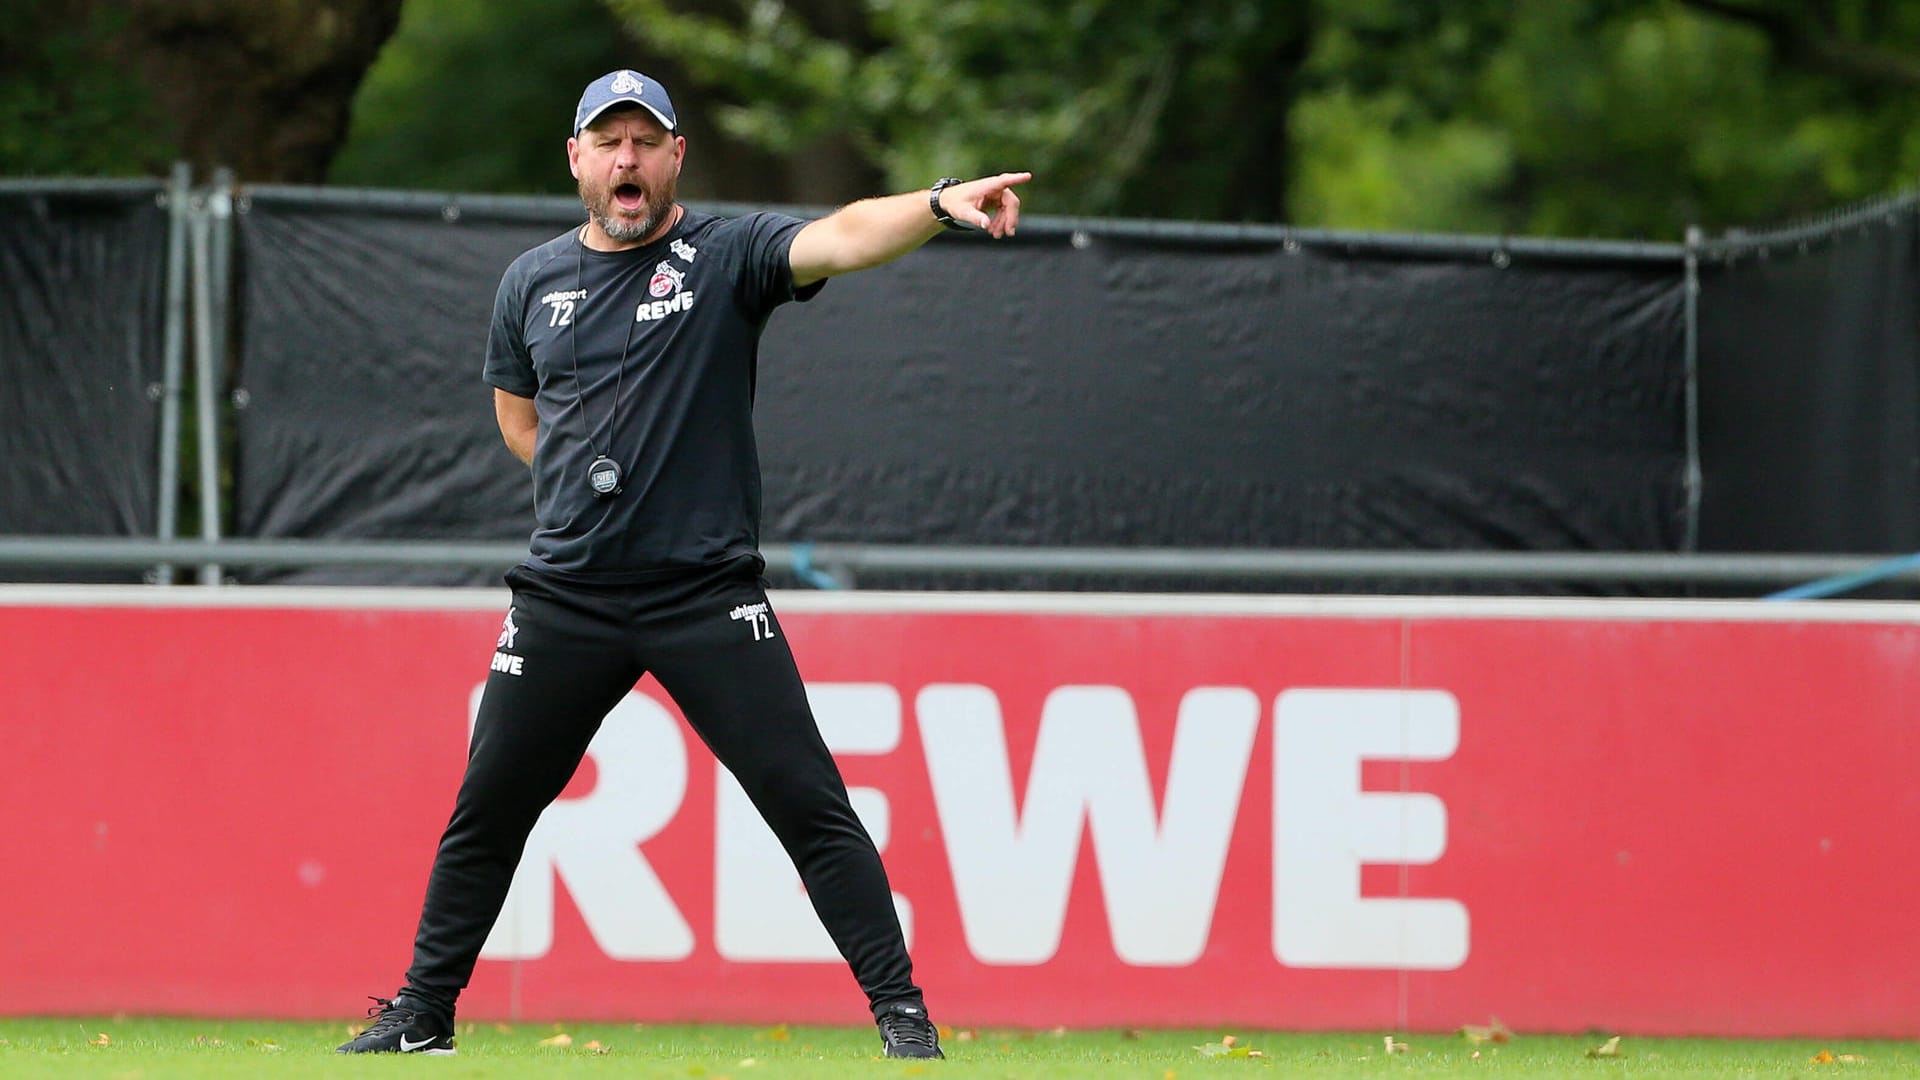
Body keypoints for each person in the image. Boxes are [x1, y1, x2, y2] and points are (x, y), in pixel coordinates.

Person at [335, 69, 1028, 1060]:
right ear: (577, 158)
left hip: (703, 595)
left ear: (674, 158)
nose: (627, 158)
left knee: (807, 803)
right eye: (607, 141)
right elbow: (518, 419)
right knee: (488, 809)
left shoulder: (726, 255)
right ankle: (421, 1013)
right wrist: (585, 479)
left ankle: (902, 1011)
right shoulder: (530, 283)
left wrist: (932, 205)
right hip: (566, 597)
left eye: (644, 141)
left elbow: (840, 235)